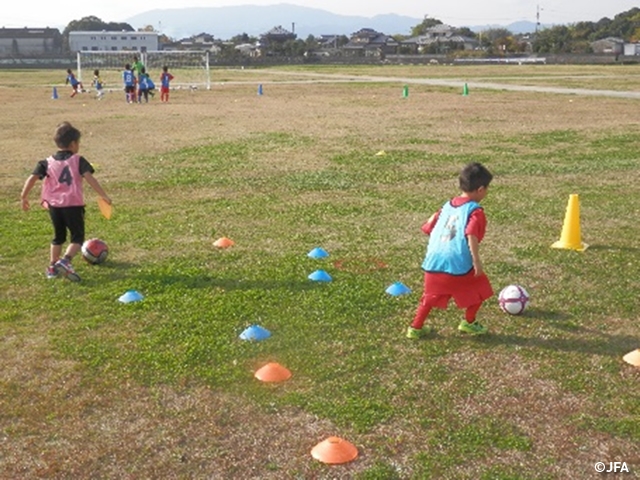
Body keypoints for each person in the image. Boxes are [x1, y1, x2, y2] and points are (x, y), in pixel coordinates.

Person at [407, 162, 494, 338]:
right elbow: (471, 234)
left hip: (433, 261)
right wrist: (476, 261)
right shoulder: (475, 212)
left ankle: (415, 328)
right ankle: (469, 323)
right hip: (457, 262)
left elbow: (428, 226)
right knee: (481, 288)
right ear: (480, 189)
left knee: (429, 296)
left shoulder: (446, 206)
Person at [20, 122, 112, 282]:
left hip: (54, 206)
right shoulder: (78, 160)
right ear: (73, 144)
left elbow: (32, 177)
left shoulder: (46, 162)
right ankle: (65, 261)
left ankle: (52, 267)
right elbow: (89, 178)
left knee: (58, 237)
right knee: (77, 238)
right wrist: (104, 195)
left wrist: (24, 197)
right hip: (73, 205)